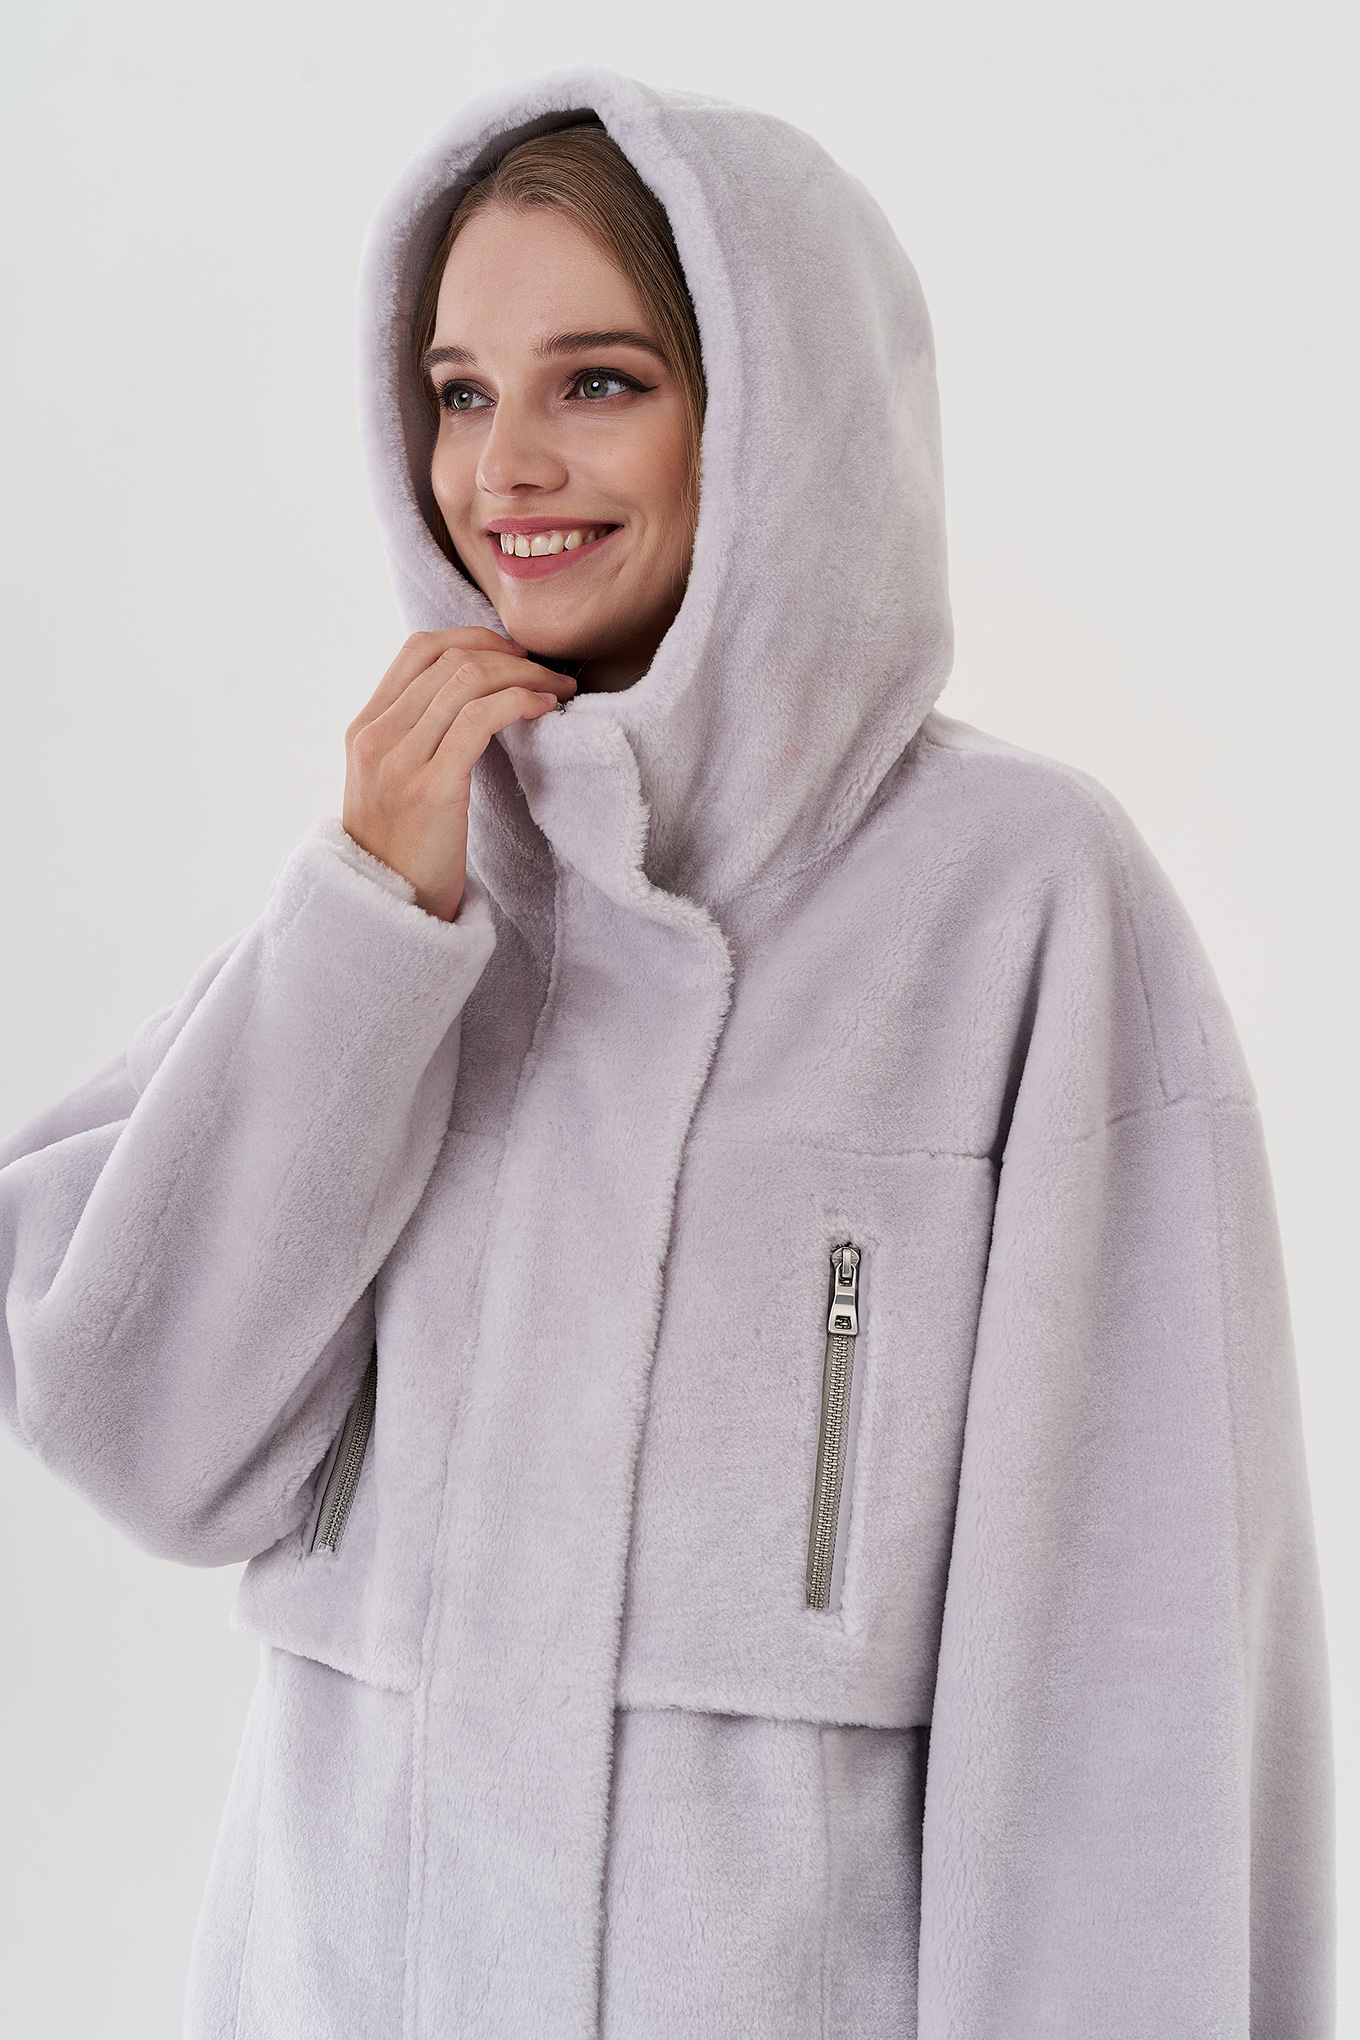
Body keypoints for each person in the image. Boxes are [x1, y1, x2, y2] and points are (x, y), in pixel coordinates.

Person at [0, 69, 1332, 2040]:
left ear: (771, 416)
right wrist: (367, 930)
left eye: (599, 381)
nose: (506, 465)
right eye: (459, 391)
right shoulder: (416, 878)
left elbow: (1131, 1681)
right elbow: (138, 1427)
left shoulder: (1022, 902)